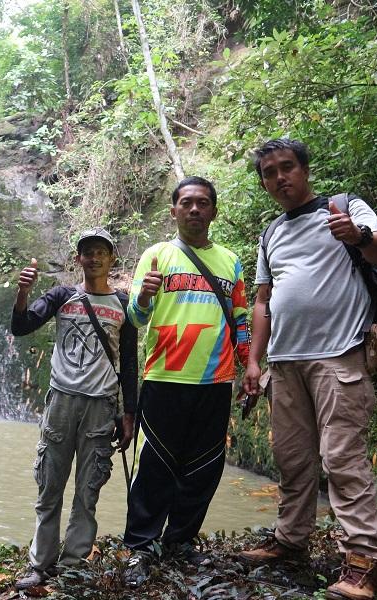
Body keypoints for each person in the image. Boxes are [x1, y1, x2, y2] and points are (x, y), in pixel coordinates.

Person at [239, 139, 377, 600]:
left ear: (305, 170)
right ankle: (291, 539)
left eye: (288, 167)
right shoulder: (270, 234)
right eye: (270, 172)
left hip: (338, 354)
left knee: (342, 457)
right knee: (292, 457)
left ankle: (363, 560)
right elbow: (263, 300)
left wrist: (358, 237)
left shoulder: (343, 209)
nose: (280, 178)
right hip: (284, 362)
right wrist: (253, 358)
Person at [122, 176, 250, 587]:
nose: (195, 210)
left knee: (203, 469)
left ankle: (180, 543)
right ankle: (141, 546)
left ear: (213, 211)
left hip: (215, 381)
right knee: (155, 466)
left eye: (203, 203)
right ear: (174, 210)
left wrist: (250, 365)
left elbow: (242, 320)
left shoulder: (230, 262)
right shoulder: (157, 255)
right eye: (187, 203)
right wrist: (143, 296)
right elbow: (135, 317)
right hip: (164, 377)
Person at [11, 227, 138, 590]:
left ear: (112, 258)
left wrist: (130, 415)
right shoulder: (61, 296)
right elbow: (22, 326)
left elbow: (129, 364)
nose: (94, 258)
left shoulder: (124, 305)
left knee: (88, 490)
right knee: (50, 485)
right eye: (87, 252)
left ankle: (72, 565)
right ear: (78, 258)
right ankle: (40, 563)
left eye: (101, 252)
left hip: (101, 407)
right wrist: (22, 293)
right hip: (61, 402)